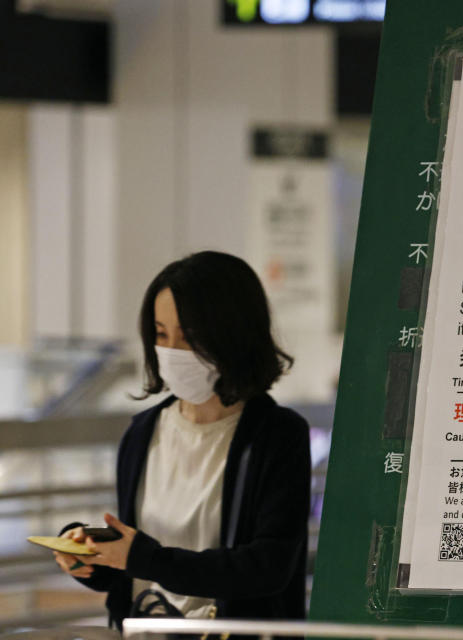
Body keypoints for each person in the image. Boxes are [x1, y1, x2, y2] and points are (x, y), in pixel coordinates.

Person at [51, 251, 311, 630]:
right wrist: (91, 558)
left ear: (232, 335)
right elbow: (134, 569)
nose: (172, 352)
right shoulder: (142, 433)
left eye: (189, 337)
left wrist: (144, 558)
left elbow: (267, 568)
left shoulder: (277, 435)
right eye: (160, 334)